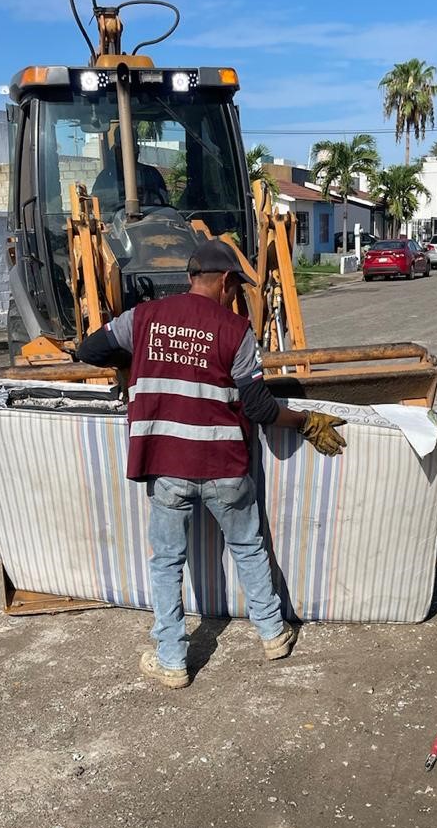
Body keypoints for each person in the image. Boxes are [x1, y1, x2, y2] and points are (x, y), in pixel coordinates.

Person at [77, 239, 348, 688]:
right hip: (225, 465)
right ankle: (273, 634)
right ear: (225, 281)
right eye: (236, 286)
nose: (236, 294)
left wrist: (136, 360)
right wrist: (304, 421)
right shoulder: (236, 330)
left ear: (190, 277)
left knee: (166, 562)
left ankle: (172, 661)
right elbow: (259, 407)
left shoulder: (142, 318)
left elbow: (88, 350)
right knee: (248, 547)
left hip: (166, 463)